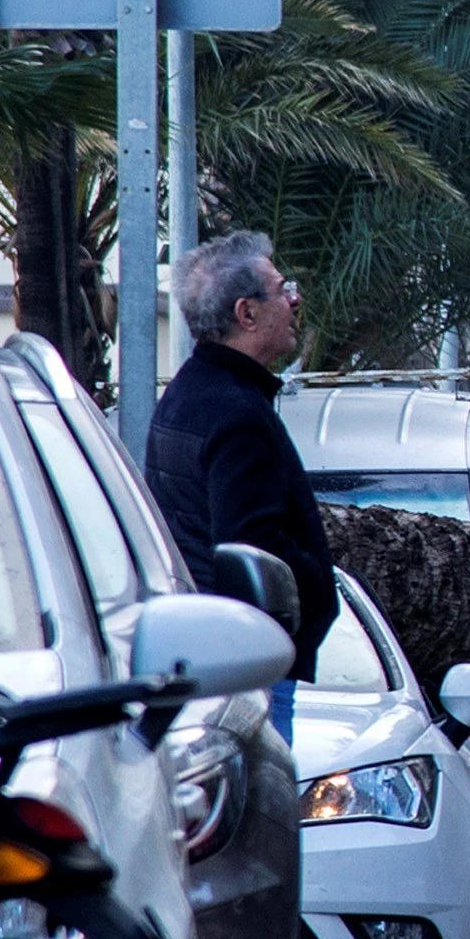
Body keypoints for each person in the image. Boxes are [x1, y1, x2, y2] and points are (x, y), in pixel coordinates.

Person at [146, 231, 339, 735]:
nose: (295, 300)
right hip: (253, 667)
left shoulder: (190, 392)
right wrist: (315, 583)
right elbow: (253, 551)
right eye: (282, 289)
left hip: (219, 655)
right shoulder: (236, 413)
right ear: (246, 313)